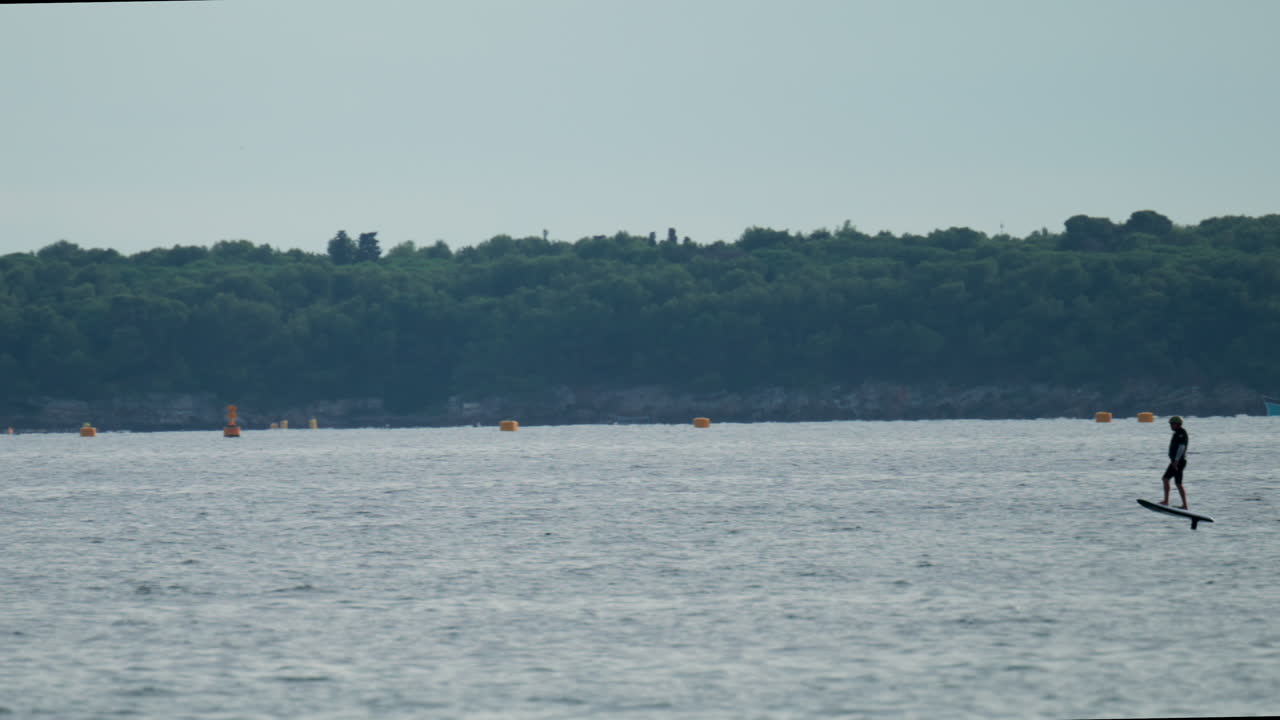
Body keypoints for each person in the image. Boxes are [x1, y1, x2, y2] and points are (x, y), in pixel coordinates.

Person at [1161, 416, 1189, 509]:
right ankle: (1167, 501)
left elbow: (1181, 447)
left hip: (1179, 462)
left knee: (1175, 482)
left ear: (1177, 424)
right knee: (1167, 479)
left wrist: (1176, 460)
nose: (1170, 426)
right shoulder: (1177, 433)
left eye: (1172, 424)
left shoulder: (1181, 433)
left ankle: (1182, 505)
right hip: (1175, 461)